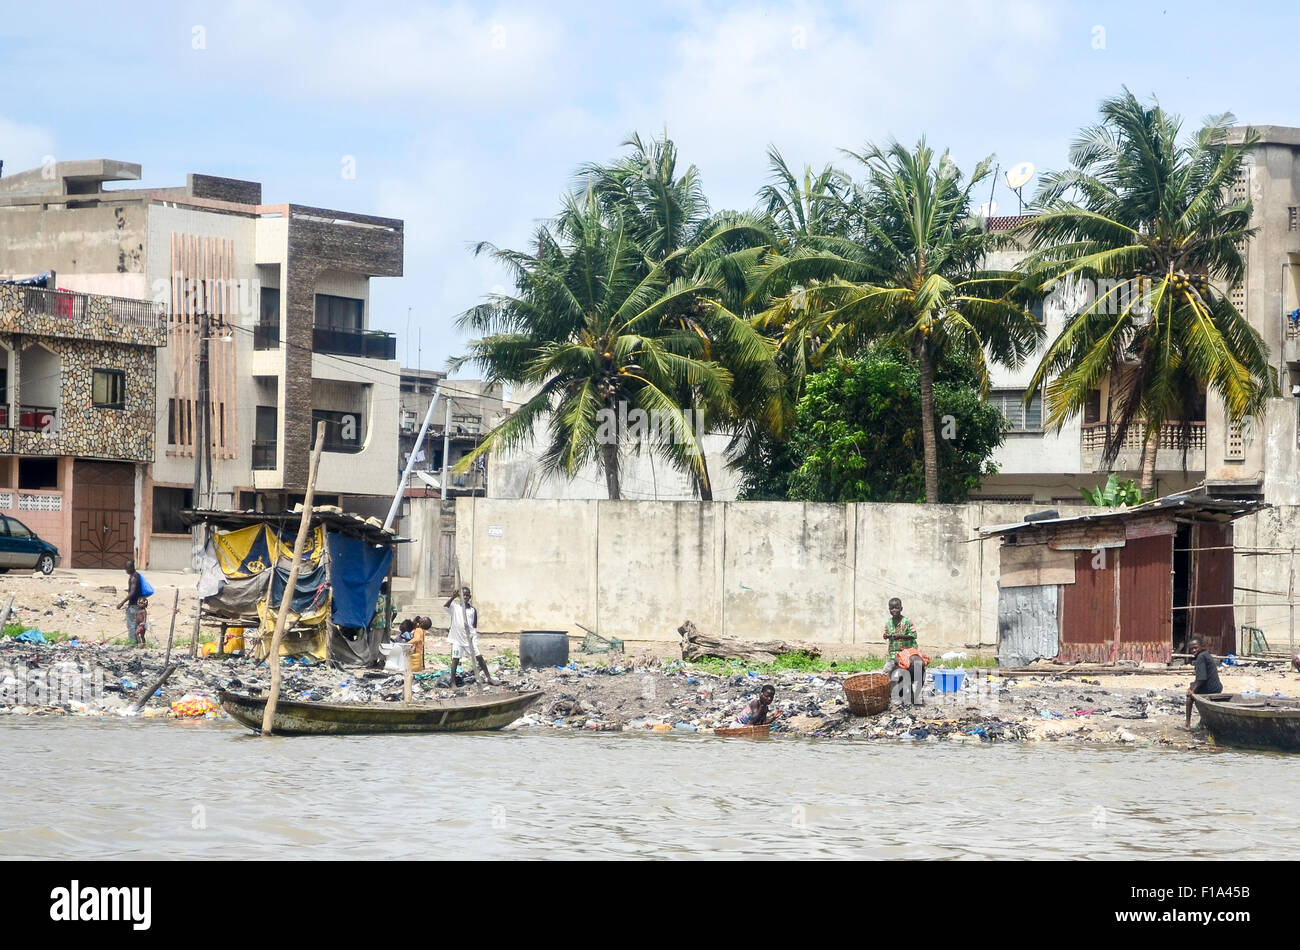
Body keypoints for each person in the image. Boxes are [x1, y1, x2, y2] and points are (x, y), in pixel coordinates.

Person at [444, 588, 496, 687]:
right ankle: (453, 682)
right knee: (455, 659)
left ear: (470, 597)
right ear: (460, 597)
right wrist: (452, 597)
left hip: (469, 639)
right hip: (457, 640)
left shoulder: (472, 610)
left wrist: (473, 639)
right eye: (463, 595)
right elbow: (446, 607)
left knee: (479, 657)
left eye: (467, 595)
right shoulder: (455, 608)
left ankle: (489, 678)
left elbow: (473, 627)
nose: (466, 597)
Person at [884, 598, 926, 706]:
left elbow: (914, 635)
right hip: (893, 653)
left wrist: (900, 636)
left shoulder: (907, 621)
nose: (894, 610)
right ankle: (896, 695)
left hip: (907, 652)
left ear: (901, 608)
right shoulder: (888, 622)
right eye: (891, 608)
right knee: (887, 673)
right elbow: (887, 633)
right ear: (889, 609)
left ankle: (912, 695)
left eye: (896, 608)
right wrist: (886, 636)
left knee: (914, 669)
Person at [1185, 637, 1224, 728]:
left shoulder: (1201, 657)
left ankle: (1187, 724)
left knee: (1189, 697)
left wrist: (1192, 691)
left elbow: (1202, 678)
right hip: (1217, 687)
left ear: (1202, 647)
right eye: (1191, 649)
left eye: (1195, 647)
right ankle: (1202, 722)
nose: (1194, 650)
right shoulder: (1206, 654)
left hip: (1210, 688)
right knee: (1192, 687)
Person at [116, 560, 143, 647]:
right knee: (136, 625)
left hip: (133, 605)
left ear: (131, 568)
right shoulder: (137, 576)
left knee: (131, 625)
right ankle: (139, 643)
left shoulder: (134, 578)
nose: (126, 570)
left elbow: (132, 592)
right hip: (138, 605)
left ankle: (133, 644)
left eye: (127, 568)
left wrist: (122, 603)